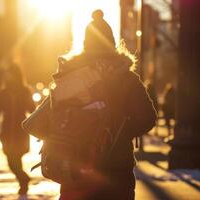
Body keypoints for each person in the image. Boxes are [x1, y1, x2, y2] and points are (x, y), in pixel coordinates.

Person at [56, 10, 157, 200]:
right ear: (111, 41)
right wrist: (120, 131)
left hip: (74, 165)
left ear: (85, 42)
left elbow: (47, 120)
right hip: (116, 168)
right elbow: (147, 118)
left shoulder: (69, 75)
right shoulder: (126, 78)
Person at [0, 63, 36, 197]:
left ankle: (23, 181)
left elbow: (33, 111)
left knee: (15, 159)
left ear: (17, 75)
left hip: (21, 132)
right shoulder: (2, 94)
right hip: (6, 133)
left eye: (11, 73)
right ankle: (23, 179)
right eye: (7, 74)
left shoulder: (25, 91)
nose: (8, 76)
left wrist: (41, 128)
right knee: (12, 162)